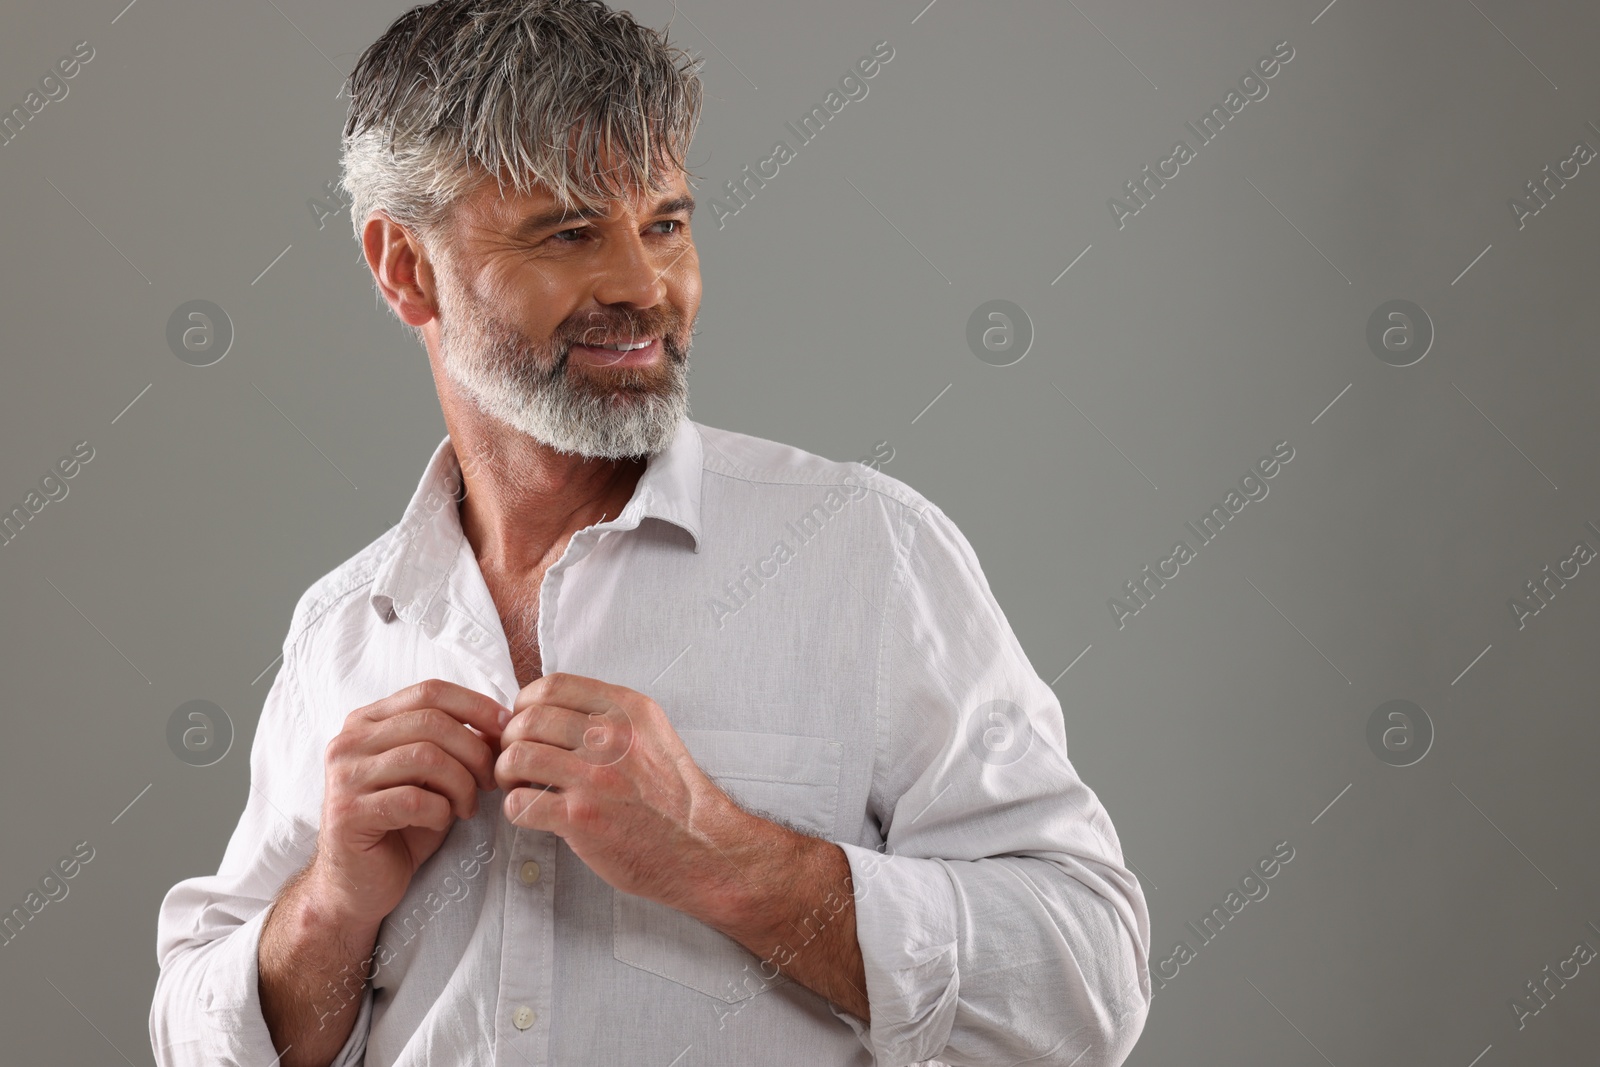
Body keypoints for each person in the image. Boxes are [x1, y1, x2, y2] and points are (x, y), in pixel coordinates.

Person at [148, 2, 1151, 1064]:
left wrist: (727, 857)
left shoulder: (866, 554)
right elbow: (198, 1038)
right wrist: (329, 907)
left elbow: (1085, 982)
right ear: (404, 266)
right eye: (570, 231)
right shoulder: (342, 633)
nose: (643, 287)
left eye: (666, 222)